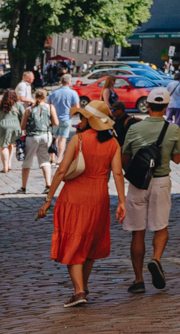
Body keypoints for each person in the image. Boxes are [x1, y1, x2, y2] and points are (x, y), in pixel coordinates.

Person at [38, 99, 120, 306]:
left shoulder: (80, 139)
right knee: (91, 244)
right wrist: (122, 202)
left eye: (82, 117)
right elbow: (118, 173)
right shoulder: (113, 143)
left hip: (75, 196)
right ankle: (82, 287)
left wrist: (48, 199)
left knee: (74, 243)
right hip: (100, 197)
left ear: (89, 119)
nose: (79, 120)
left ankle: (79, 291)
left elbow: (62, 170)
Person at [118, 91, 180, 293]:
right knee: (160, 227)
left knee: (138, 231)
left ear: (147, 104)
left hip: (138, 182)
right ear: (166, 106)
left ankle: (138, 280)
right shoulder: (172, 129)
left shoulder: (135, 128)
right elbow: (178, 158)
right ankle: (156, 259)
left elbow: (125, 158)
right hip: (161, 181)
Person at [17, 90, 58, 195]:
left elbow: (22, 126)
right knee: (45, 160)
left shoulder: (29, 109)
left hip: (32, 136)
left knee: (27, 161)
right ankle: (48, 184)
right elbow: (56, 122)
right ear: (45, 97)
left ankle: (23, 187)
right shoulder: (50, 107)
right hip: (46, 135)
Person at [0, 89, 25, 174]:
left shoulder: (1, 106)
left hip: (3, 127)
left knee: (3, 147)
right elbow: (23, 117)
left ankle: (5, 166)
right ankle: (9, 163)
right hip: (15, 127)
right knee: (11, 145)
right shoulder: (18, 105)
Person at [45, 67, 80, 143]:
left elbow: (48, 105)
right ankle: (60, 155)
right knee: (63, 139)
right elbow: (77, 108)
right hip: (66, 118)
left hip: (54, 118)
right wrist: (73, 114)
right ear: (69, 82)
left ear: (61, 82)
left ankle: (52, 154)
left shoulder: (53, 92)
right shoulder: (73, 93)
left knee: (54, 138)